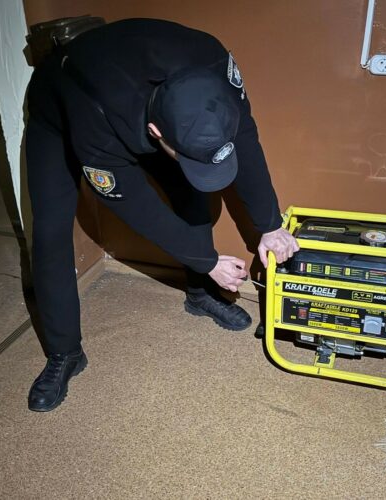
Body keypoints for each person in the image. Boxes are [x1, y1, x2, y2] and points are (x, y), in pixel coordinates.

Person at [25, 18, 299, 412]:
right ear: (156, 133)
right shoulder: (96, 121)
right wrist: (207, 261)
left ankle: (199, 295)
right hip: (63, 101)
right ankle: (64, 353)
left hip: (131, 84)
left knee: (192, 191)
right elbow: (135, 204)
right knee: (50, 231)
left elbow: (246, 141)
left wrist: (270, 225)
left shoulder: (215, 66)